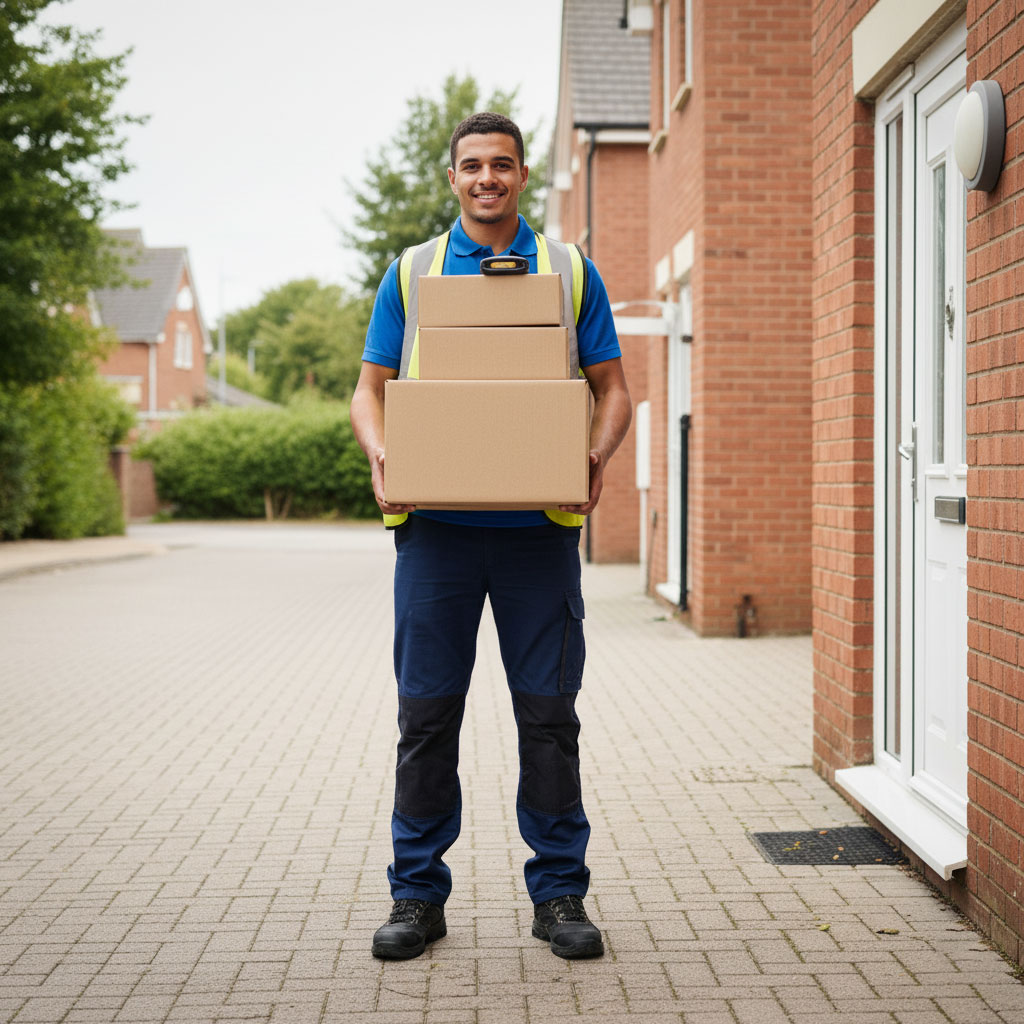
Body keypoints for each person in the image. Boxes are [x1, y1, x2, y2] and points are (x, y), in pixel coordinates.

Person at [349, 111, 631, 962]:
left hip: (536, 537)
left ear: (520, 175)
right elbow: (371, 390)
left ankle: (560, 896)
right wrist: (382, 450)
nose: (486, 180)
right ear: (452, 178)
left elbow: (614, 390)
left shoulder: (569, 272)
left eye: (502, 166)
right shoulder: (412, 272)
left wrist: (594, 453)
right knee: (426, 720)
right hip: (434, 535)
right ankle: (415, 898)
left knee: (548, 718)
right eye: (471, 166)